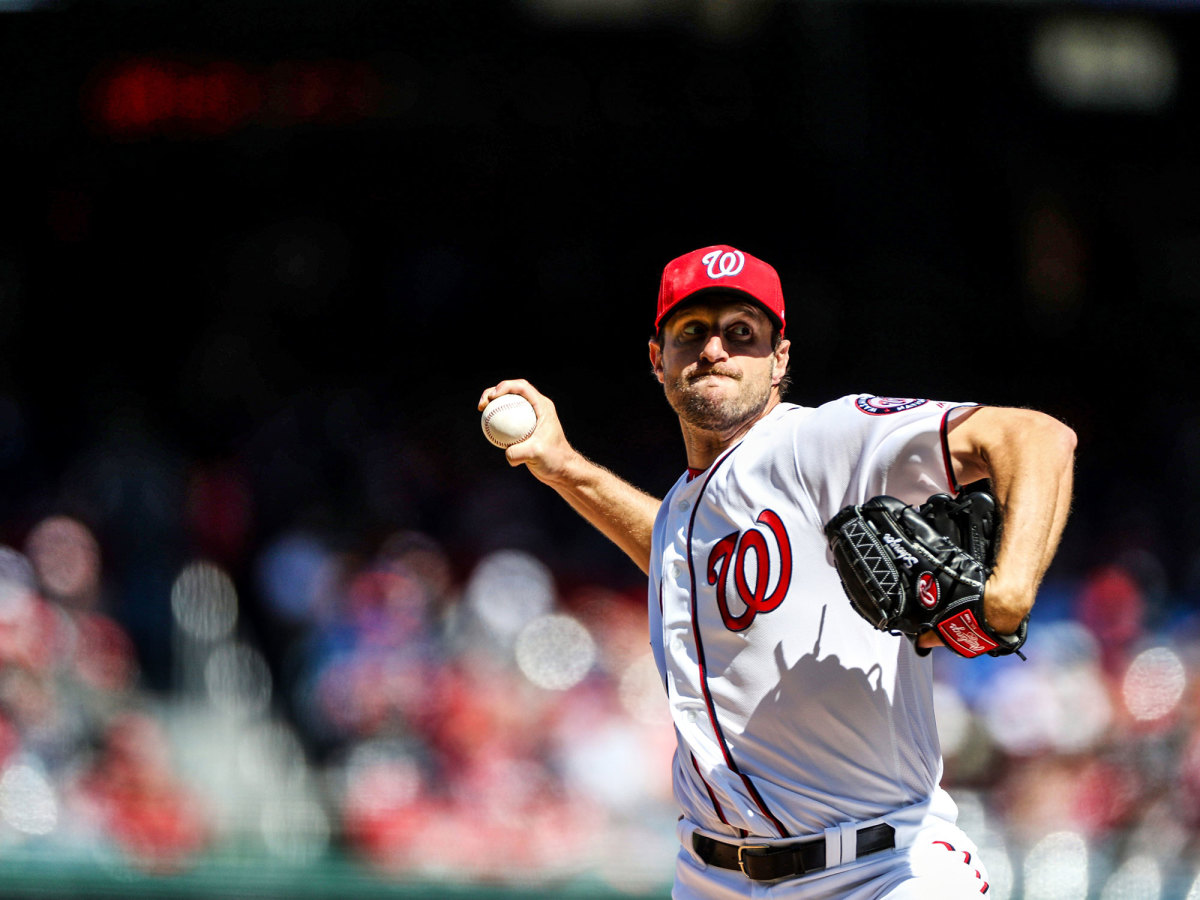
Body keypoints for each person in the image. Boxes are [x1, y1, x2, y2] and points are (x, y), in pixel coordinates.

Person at [477, 244, 1076, 899]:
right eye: (692, 333)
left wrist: (1007, 597)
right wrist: (564, 466)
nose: (715, 350)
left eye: (741, 333)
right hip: (711, 879)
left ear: (780, 358)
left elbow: (1036, 437)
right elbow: (681, 557)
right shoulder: (690, 504)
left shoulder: (821, 441)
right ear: (658, 359)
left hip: (878, 871)